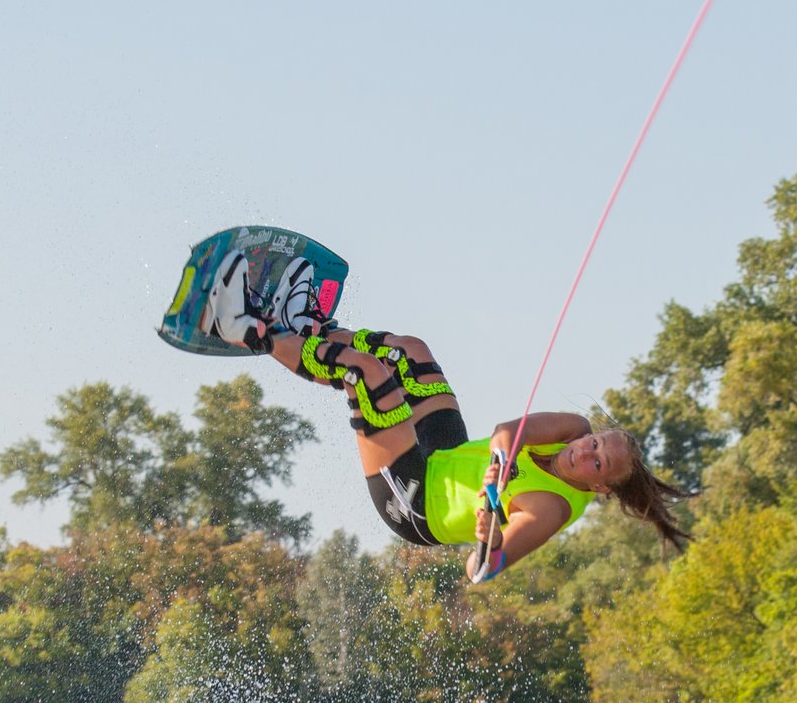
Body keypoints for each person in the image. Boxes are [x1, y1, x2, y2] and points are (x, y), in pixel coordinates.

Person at [198, 249, 692, 581]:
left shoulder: (552, 509)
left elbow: (482, 569)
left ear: (599, 487)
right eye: (597, 442)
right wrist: (500, 462)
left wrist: (492, 531)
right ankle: (306, 331)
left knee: (367, 376)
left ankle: (245, 329)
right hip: (446, 454)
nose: (587, 450)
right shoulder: (572, 430)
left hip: (416, 501)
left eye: (598, 463)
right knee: (411, 353)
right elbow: (506, 433)